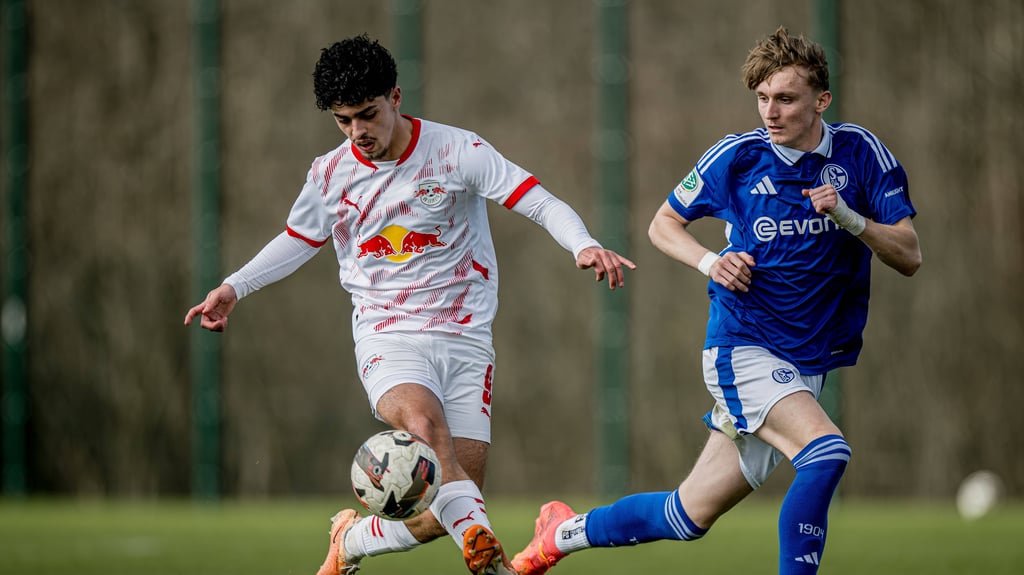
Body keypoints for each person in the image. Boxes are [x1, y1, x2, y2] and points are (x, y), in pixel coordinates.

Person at [183, 35, 635, 575]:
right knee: (424, 424)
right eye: (344, 120)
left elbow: (536, 199)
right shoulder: (330, 174)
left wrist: (582, 243)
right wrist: (234, 286)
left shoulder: (457, 151)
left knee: (443, 506)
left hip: (467, 339)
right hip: (387, 333)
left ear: (395, 97)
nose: (358, 131)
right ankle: (489, 559)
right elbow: (298, 239)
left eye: (368, 114)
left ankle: (351, 541)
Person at [512, 26, 921, 575]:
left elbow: (909, 254)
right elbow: (662, 224)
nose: (770, 112)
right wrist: (710, 262)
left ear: (822, 100)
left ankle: (560, 534)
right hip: (744, 345)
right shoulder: (738, 156)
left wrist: (849, 217)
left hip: (807, 361)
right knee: (826, 453)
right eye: (762, 98)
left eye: (786, 98)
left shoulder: (861, 153)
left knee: (687, 515)